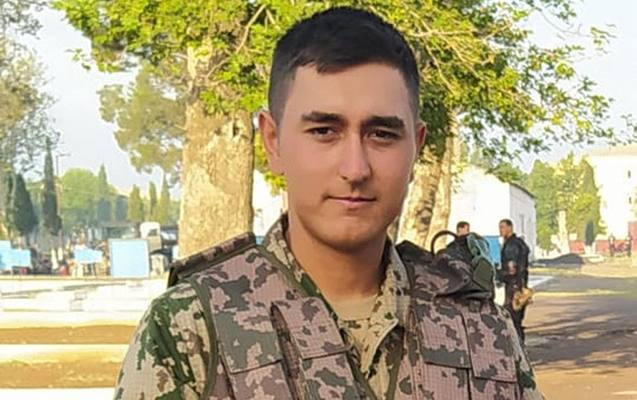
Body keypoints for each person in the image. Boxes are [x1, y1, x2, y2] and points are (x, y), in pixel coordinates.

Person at [114, 8, 543, 400]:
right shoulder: (192, 329)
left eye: (382, 134)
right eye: (324, 131)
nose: (355, 168)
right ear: (273, 141)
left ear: (416, 147)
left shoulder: (481, 327)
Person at [499, 218, 531, 344]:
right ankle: (518, 344)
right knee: (516, 318)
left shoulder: (511, 245)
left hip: (514, 286)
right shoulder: (519, 243)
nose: (500, 230)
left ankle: (517, 345)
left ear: (509, 228)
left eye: (502, 227)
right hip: (520, 284)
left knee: (512, 316)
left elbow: (512, 269)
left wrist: (499, 274)